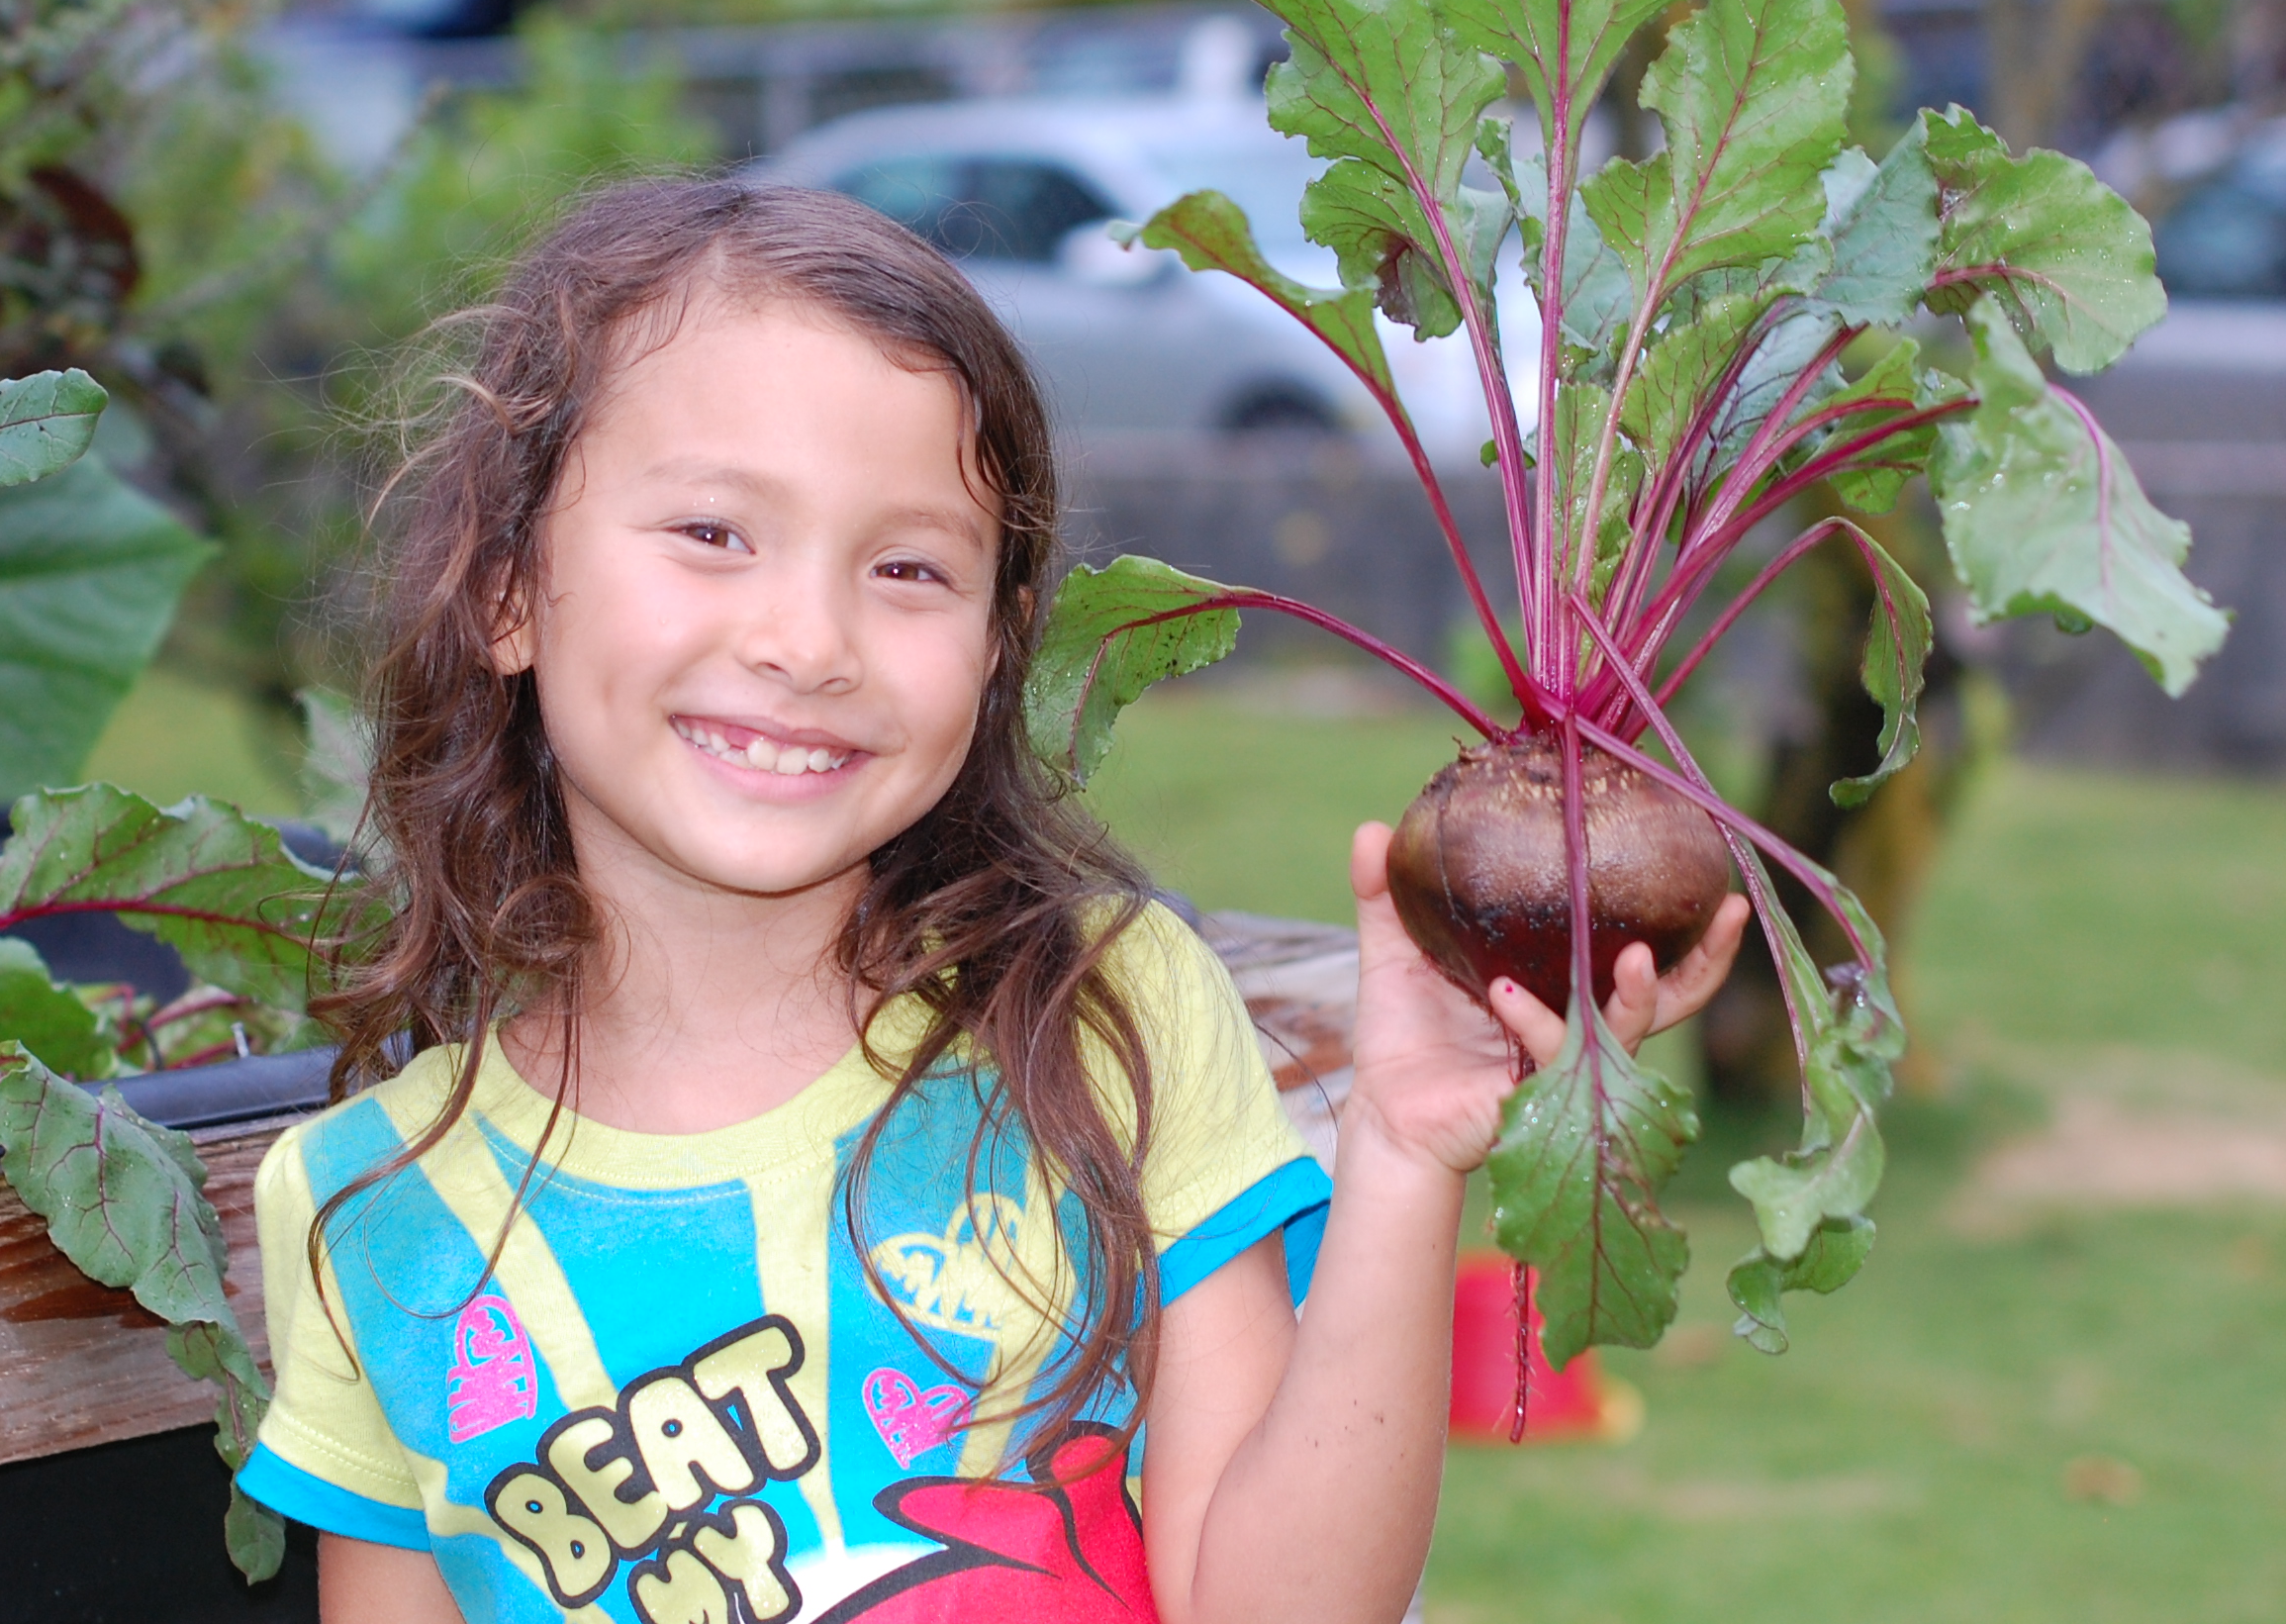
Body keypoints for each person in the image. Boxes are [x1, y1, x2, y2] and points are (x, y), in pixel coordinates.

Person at [238, 179, 1745, 1624]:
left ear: (998, 640)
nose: (807, 640)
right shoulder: (370, 1207)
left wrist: (1407, 1156)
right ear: (506, 586)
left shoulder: (1109, 1017)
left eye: (907, 568)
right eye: (713, 534)